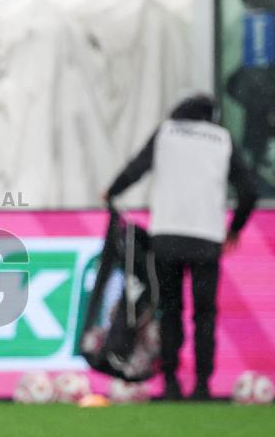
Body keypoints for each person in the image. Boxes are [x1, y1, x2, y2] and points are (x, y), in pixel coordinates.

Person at [105, 94, 258, 400]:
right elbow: (249, 192)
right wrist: (235, 228)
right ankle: (202, 385)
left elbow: (137, 168)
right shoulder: (222, 139)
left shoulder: (167, 132)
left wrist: (111, 192)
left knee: (171, 311)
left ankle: (171, 382)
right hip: (206, 238)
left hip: (167, 238)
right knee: (205, 314)